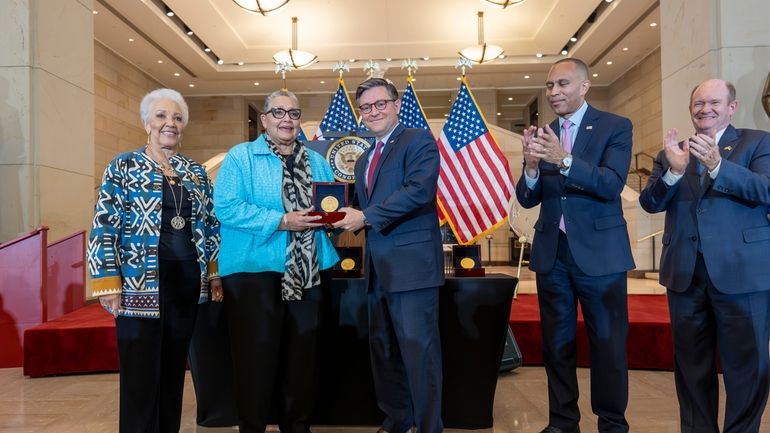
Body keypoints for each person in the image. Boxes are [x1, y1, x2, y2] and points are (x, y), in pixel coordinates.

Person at [87, 88, 222, 433]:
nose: (170, 123)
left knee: (174, 370)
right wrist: (107, 281)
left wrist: (213, 273)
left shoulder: (194, 171)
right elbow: (103, 224)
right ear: (147, 122)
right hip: (138, 284)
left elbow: (209, 224)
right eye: (162, 116)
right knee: (140, 373)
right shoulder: (124, 165)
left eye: (177, 118)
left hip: (187, 283)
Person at [639, 79, 770, 433]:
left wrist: (718, 166)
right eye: (698, 103)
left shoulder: (757, 142)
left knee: (748, 366)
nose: (704, 109)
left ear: (732, 107)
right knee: (691, 368)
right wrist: (675, 171)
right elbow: (650, 202)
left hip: (742, 274)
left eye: (714, 102)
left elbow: (766, 190)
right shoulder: (671, 152)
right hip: (685, 275)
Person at [515, 58, 634, 433]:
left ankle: (612, 423)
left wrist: (563, 159)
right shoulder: (544, 132)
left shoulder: (614, 127)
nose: (554, 93)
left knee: (608, 345)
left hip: (600, 255)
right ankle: (563, 422)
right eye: (550, 86)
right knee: (557, 345)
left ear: (584, 87)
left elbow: (611, 183)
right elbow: (529, 197)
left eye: (562, 84)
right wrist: (531, 168)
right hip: (554, 256)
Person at [214, 89, 339, 433]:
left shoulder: (317, 161)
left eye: (294, 113)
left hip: (310, 271)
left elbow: (329, 207)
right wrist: (282, 221)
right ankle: (252, 426)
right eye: (279, 112)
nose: (287, 119)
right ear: (265, 119)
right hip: (254, 272)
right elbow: (225, 207)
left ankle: (296, 426)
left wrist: (333, 220)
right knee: (255, 359)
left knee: (303, 359)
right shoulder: (241, 157)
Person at [333, 78, 444, 433]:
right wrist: (330, 216)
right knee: (384, 351)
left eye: (381, 103)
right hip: (378, 268)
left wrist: (363, 217)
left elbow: (418, 191)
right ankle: (397, 420)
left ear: (397, 105)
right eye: (366, 107)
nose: (374, 111)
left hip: (412, 268)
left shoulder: (418, 140)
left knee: (419, 353)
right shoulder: (364, 158)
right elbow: (362, 206)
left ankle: (429, 427)